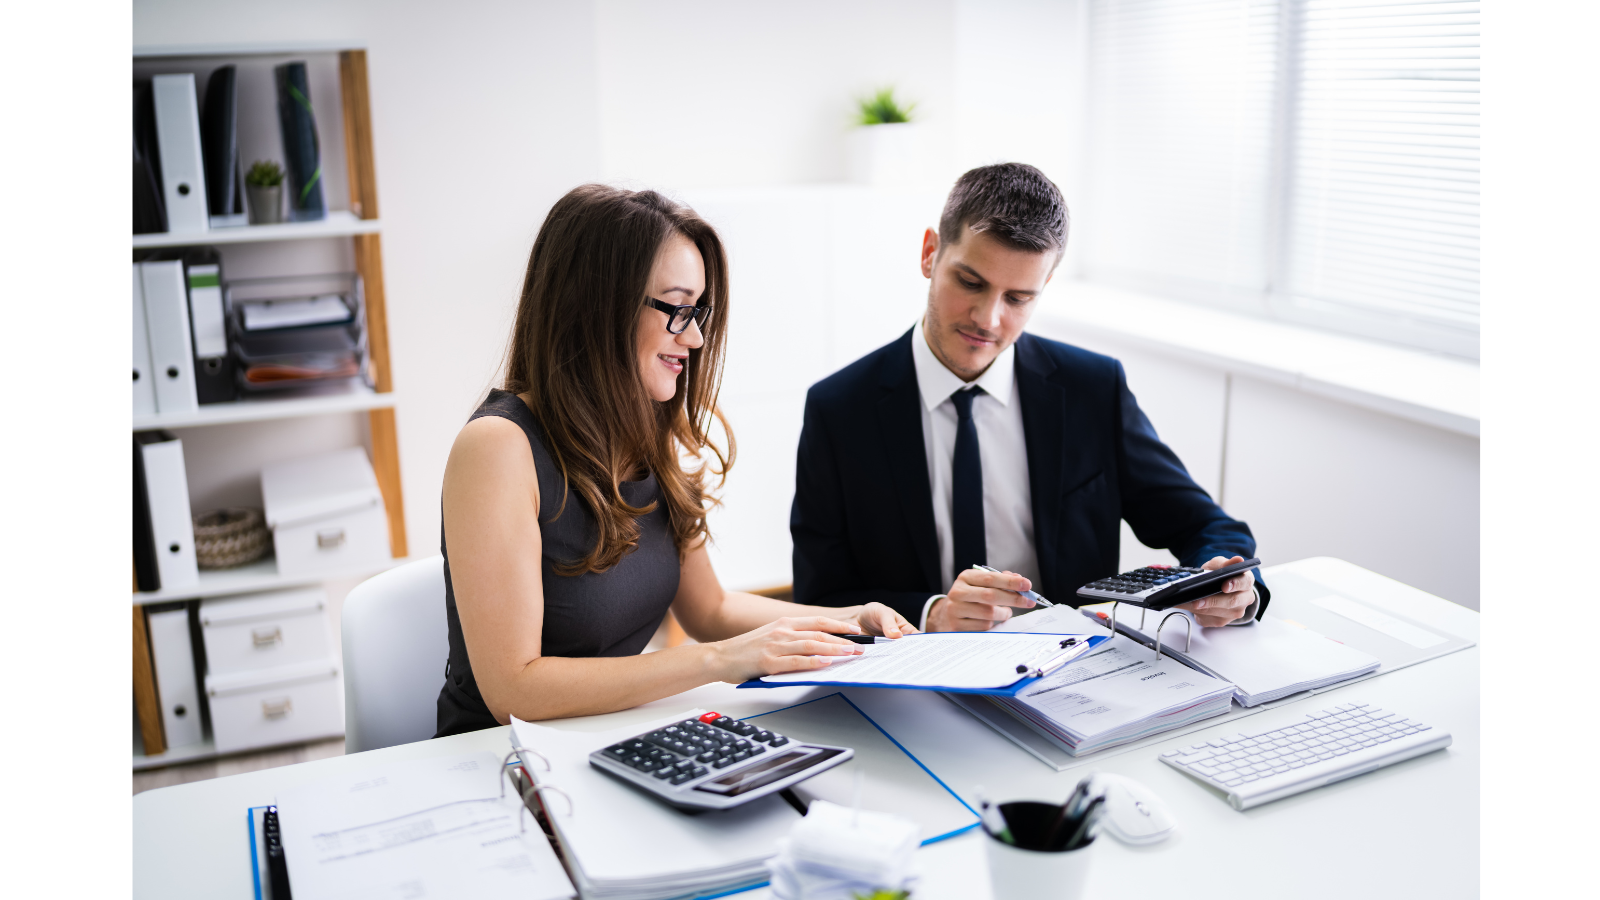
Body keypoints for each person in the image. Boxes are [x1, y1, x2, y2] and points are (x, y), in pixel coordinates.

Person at [437, 185, 915, 736]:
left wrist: (850, 620)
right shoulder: (497, 448)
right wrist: (718, 661)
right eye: (678, 310)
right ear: (597, 305)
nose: (695, 336)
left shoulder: (645, 432)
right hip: (499, 760)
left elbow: (709, 610)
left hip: (604, 738)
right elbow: (513, 690)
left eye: (700, 312)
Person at [790, 163, 1268, 633]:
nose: (988, 319)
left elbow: (1204, 524)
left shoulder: (1094, 388)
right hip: (910, 678)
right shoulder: (839, 409)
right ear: (930, 254)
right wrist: (931, 614)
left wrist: (1230, 587)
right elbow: (820, 597)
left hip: (1072, 674)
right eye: (971, 282)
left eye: (1018, 298)